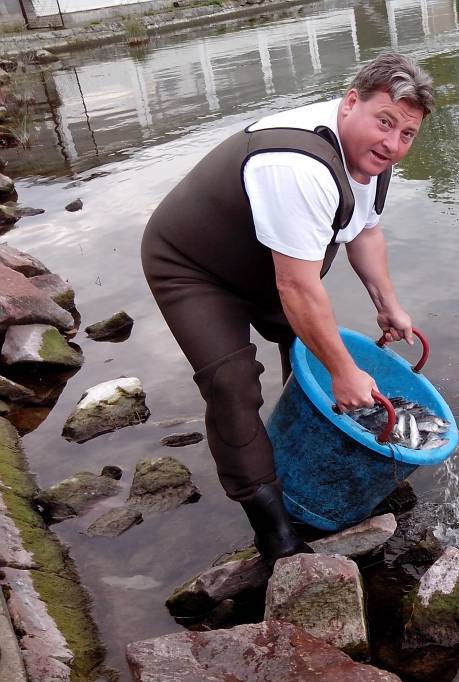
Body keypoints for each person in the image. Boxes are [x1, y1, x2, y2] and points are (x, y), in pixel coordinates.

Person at [141, 53, 434, 569]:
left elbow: (364, 230)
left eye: (407, 133)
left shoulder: (370, 159)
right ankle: (273, 527)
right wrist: (343, 371)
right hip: (194, 267)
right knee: (233, 382)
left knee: (309, 350)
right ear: (350, 103)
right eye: (384, 122)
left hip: (271, 264)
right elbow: (298, 288)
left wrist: (389, 306)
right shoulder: (297, 164)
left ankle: (309, 454)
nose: (393, 143)